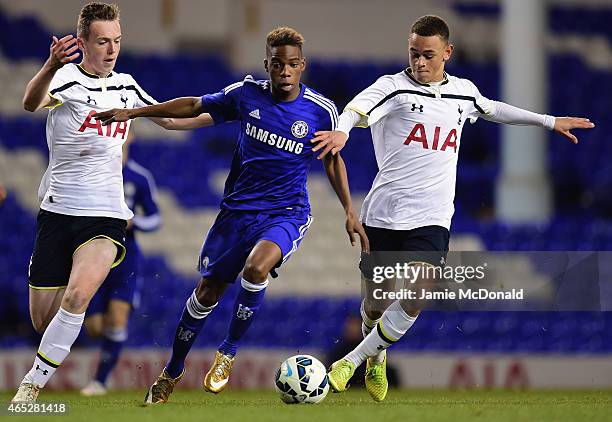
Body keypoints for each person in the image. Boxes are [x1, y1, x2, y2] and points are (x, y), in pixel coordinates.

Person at [312, 15, 595, 402]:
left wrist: (549, 121)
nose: (420, 63)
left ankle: (352, 361)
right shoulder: (392, 88)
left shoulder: (463, 93)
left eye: (428, 55)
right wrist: (343, 130)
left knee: (416, 293)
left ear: (447, 52)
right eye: (414, 54)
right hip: (383, 214)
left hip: (433, 217)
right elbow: (356, 110)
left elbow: (494, 109)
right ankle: (376, 355)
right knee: (375, 303)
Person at [96, 26, 369, 404]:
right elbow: (194, 105)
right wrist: (136, 111)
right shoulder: (245, 95)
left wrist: (349, 210)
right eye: (277, 64)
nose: (285, 71)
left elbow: (332, 160)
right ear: (267, 65)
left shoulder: (321, 111)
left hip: (286, 211)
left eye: (292, 64)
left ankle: (227, 352)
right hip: (236, 213)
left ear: (302, 65)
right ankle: (172, 371)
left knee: (257, 269)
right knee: (206, 293)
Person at [12, 2, 210, 403]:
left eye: (117, 40)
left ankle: (31, 386)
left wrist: (226, 112)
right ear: (83, 42)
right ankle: (66, 328)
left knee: (78, 296)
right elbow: (31, 103)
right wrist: (50, 65)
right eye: (103, 41)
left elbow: (170, 119)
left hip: (106, 214)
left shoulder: (126, 84)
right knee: (41, 319)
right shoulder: (66, 79)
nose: (112, 48)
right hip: (58, 210)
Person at [80, 131, 161, 396]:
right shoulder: (94, 171)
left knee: (117, 319)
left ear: (132, 137)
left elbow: (155, 218)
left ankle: (100, 381)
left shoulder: (139, 177)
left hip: (127, 257)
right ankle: (104, 357)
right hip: (93, 253)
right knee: (94, 329)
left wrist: (134, 222)